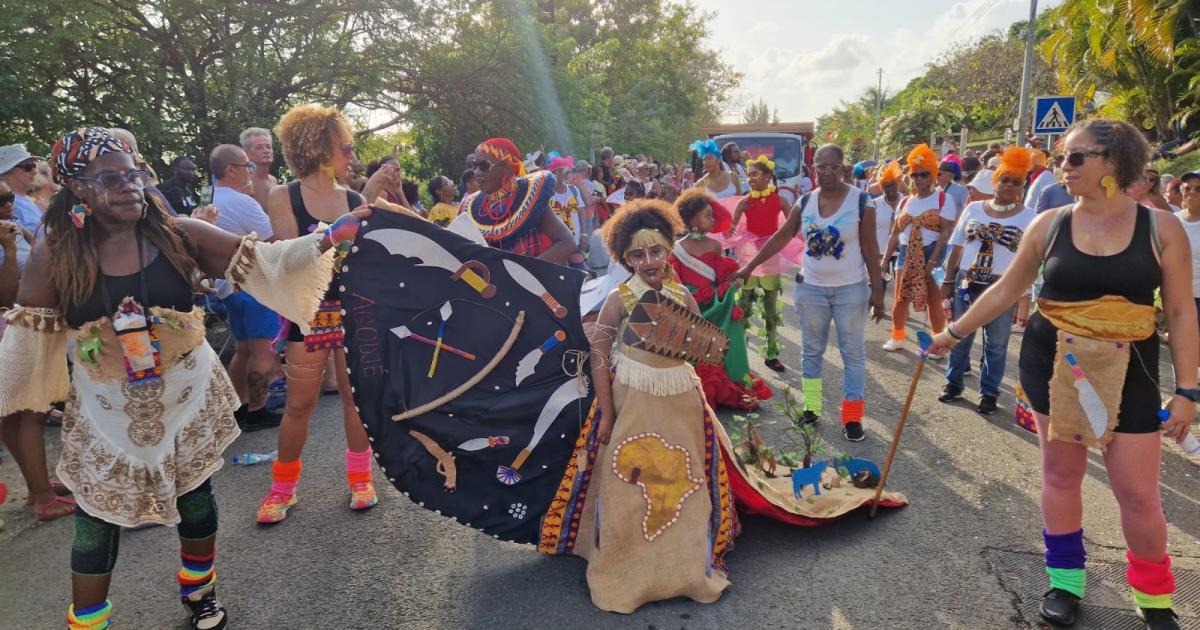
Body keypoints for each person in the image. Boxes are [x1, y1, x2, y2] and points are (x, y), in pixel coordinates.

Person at [0, 126, 363, 630]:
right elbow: (28, 335)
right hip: (106, 410)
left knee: (196, 503)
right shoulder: (56, 250)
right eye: (109, 178)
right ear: (77, 188)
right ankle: (87, 621)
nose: (128, 186)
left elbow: (262, 261)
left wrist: (328, 236)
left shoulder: (179, 233)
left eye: (133, 174)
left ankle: (200, 593)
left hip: (184, 396)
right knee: (95, 520)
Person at [927, 118, 1197, 629]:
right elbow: (1007, 290)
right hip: (1054, 362)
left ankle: (1154, 594)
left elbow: (1181, 310)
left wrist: (1187, 391)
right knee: (1060, 475)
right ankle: (1066, 582)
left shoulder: (1161, 228)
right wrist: (953, 333)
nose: (1062, 167)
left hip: (1131, 367)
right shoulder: (1048, 224)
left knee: (1137, 491)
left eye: (1076, 157)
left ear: (1114, 164)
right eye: (1060, 158)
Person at [582, 198, 737, 611]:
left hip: (681, 405)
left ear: (669, 250)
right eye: (638, 253)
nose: (649, 260)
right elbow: (598, 353)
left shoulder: (682, 295)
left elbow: (702, 352)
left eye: (656, 250)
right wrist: (607, 415)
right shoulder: (618, 299)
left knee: (686, 482)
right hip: (631, 403)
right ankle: (630, 571)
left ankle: (684, 569)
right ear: (626, 258)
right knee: (628, 487)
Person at [258, 103, 379, 524]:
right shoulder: (282, 196)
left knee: (356, 399)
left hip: (353, 310)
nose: (352, 156)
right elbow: (290, 260)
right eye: (345, 147)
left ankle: (361, 480)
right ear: (320, 148)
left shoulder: (355, 197)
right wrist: (333, 234)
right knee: (298, 405)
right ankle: (282, 490)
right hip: (308, 313)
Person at [736, 144, 885, 441]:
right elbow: (780, 238)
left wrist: (877, 293)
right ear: (813, 168)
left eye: (833, 166)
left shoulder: (861, 202)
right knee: (811, 351)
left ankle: (852, 418)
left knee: (852, 354)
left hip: (850, 291)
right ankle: (812, 408)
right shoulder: (804, 203)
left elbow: (870, 249)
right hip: (812, 290)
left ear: (843, 167)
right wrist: (748, 267)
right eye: (821, 166)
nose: (827, 172)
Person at [938, 146, 1037, 414]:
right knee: (959, 335)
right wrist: (948, 281)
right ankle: (953, 384)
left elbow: (1030, 260)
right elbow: (957, 245)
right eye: (1004, 179)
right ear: (995, 181)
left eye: (1015, 182)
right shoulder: (973, 208)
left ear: (1021, 187)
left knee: (996, 342)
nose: (1008, 185)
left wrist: (1021, 293)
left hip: (1002, 286)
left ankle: (989, 393)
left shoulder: (1030, 218)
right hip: (966, 281)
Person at [0, 179, 69, 525]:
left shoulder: (15, 228)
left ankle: (35, 486)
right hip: (17, 329)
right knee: (31, 411)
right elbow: (6, 294)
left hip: (18, 327)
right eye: (0, 201)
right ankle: (43, 496)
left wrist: (24, 240)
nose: (8, 205)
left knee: (13, 414)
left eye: (9, 197)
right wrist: (11, 251)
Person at [669, 189, 771, 411]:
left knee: (731, 337)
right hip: (692, 306)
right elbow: (675, 283)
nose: (713, 219)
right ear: (691, 220)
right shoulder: (677, 249)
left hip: (718, 304)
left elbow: (721, 275)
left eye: (712, 215)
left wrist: (731, 281)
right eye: (707, 215)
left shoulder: (715, 246)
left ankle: (731, 384)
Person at [209, 143, 283, 432]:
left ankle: (238, 406)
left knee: (242, 349)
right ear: (231, 170)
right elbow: (273, 238)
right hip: (253, 283)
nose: (250, 172)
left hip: (226, 285)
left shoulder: (208, 197)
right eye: (246, 166)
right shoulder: (242, 202)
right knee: (264, 349)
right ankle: (257, 409)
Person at [881, 144, 957, 355]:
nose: (919, 179)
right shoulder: (905, 201)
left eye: (924, 174)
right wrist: (885, 259)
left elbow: (945, 233)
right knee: (901, 297)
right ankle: (897, 337)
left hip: (931, 251)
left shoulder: (943, 199)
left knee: (934, 299)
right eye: (915, 175)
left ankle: (937, 342)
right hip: (906, 252)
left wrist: (932, 261)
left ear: (933, 175)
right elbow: (895, 233)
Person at [727, 155, 797, 372]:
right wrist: (727, 229)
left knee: (770, 309)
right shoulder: (745, 202)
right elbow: (731, 228)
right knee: (743, 307)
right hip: (748, 256)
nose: (750, 179)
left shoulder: (781, 200)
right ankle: (737, 352)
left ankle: (772, 354)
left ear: (768, 176)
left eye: (755, 174)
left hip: (770, 257)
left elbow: (793, 226)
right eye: (748, 175)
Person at [461, 138, 575, 264]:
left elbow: (567, 242)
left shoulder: (529, 199)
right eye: (474, 166)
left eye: (484, 166)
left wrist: (524, 274)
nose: (476, 172)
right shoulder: (471, 208)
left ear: (508, 169)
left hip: (534, 281)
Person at [547, 155, 589, 269]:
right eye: (553, 172)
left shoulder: (573, 190)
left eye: (559, 171)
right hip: (557, 244)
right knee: (564, 273)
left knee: (579, 271)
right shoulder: (547, 195)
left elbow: (581, 211)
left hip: (576, 242)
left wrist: (584, 234)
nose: (557, 175)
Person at [0, 144, 46, 240]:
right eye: (28, 167)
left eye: (34, 166)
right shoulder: (6, 205)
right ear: (5, 172)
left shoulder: (29, 200)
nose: (35, 171)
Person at [873, 162, 903, 288]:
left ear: (898, 183)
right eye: (885, 185)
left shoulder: (907, 202)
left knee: (901, 291)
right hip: (880, 252)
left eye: (892, 184)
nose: (889, 188)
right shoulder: (874, 204)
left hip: (902, 253)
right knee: (879, 289)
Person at [239, 127, 278, 211]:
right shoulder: (243, 182)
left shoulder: (273, 180)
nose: (266, 151)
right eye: (259, 147)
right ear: (246, 153)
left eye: (268, 147)